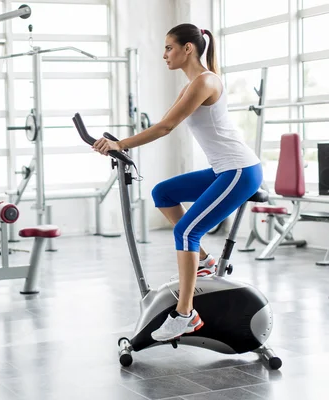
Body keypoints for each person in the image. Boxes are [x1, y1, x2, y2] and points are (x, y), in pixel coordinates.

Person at [92, 23, 262, 342]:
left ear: (188, 48)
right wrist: (118, 143)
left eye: (169, 47)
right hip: (224, 169)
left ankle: (185, 314)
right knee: (163, 192)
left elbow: (166, 127)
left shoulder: (205, 81)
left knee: (186, 231)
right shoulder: (192, 84)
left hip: (240, 170)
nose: (164, 54)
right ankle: (205, 261)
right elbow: (161, 124)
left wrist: (121, 145)